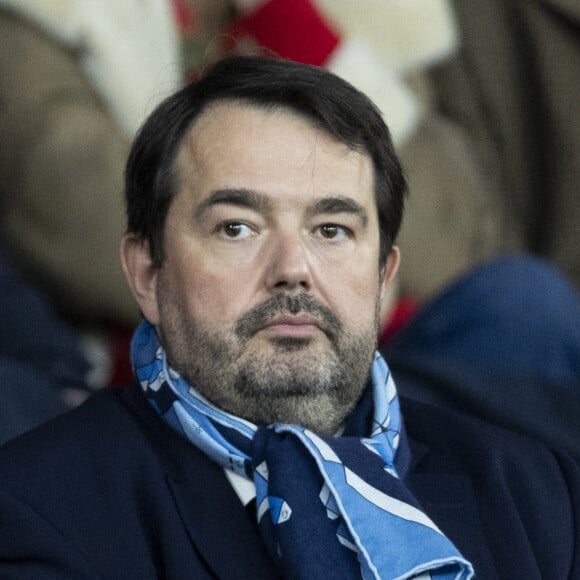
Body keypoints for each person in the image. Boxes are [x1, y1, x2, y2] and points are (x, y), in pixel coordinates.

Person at [0, 56, 577, 579]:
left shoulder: (535, 493)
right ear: (148, 273)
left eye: (332, 230)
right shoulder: (33, 510)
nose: (293, 269)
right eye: (237, 227)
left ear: (382, 277)